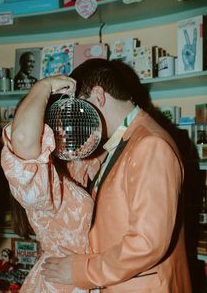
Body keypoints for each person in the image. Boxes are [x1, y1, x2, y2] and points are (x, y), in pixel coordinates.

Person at [40, 58, 192, 292]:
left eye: (80, 105)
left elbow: (147, 244)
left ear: (98, 95)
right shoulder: (124, 140)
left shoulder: (150, 144)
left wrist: (81, 270)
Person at [0, 74, 102, 292]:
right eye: (57, 123)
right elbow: (22, 139)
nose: (65, 128)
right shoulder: (40, 179)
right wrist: (43, 87)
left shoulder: (71, 161)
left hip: (82, 276)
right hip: (62, 283)